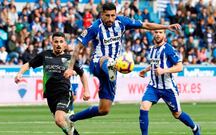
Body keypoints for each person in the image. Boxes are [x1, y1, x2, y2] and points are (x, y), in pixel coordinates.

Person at [63, 2, 181, 133]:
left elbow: (146, 25)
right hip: (98, 63)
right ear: (102, 14)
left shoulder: (122, 22)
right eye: (107, 16)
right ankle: (115, 69)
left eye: (113, 15)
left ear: (116, 14)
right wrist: (70, 67)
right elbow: (79, 46)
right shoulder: (95, 27)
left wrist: (167, 26)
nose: (110, 19)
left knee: (104, 109)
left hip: (111, 69)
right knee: (107, 60)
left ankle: (71, 118)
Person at [14, 32, 90, 135]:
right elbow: (28, 64)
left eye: (61, 42)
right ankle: (73, 130)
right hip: (50, 95)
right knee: (61, 123)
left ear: (65, 44)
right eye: (56, 42)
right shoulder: (45, 55)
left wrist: (86, 90)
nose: (58, 44)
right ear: (52, 43)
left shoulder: (70, 59)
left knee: (59, 119)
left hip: (64, 93)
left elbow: (82, 74)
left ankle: (70, 119)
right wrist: (19, 73)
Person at [138, 30, 200, 135]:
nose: (158, 34)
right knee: (144, 107)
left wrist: (163, 71)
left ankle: (195, 128)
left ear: (164, 35)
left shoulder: (169, 49)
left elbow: (180, 67)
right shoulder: (152, 49)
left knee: (177, 114)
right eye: (156, 32)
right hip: (153, 86)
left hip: (168, 88)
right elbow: (154, 64)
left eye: (160, 32)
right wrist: (145, 70)